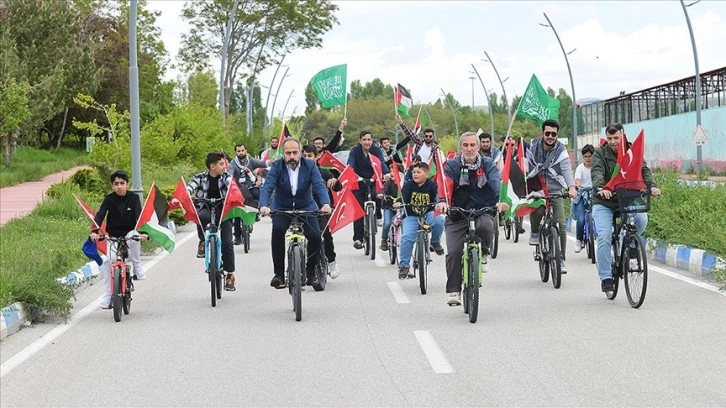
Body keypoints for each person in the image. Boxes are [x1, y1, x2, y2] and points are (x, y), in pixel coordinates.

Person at [435, 132, 508, 306]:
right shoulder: (451, 166)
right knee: (453, 252)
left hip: (483, 210)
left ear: (478, 146)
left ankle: (483, 253)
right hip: (457, 213)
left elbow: (496, 183)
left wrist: (501, 201)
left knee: (486, 226)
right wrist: (443, 202)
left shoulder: (488, 164)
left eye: (472, 145)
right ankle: (454, 290)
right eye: (465, 145)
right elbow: (444, 186)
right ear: (461, 147)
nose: (469, 149)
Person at [591, 123, 660, 293]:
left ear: (623, 136)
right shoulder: (600, 152)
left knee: (641, 219)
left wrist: (651, 186)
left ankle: (632, 246)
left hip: (627, 198)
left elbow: (644, 169)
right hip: (604, 201)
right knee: (605, 237)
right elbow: (597, 172)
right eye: (610, 138)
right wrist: (602, 188)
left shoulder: (631, 150)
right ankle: (606, 277)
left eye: (616, 138)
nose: (613, 141)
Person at [259, 138, 332, 288]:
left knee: (315, 237)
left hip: (306, 206)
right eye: (288, 153)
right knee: (278, 232)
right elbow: (268, 187)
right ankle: (279, 274)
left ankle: (310, 271)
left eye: (294, 152)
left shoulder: (310, 165)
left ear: (300, 153)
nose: (291, 156)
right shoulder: (277, 166)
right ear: (283, 154)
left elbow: (319, 186)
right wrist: (264, 205)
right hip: (282, 208)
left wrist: (325, 204)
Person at [90, 170, 148, 309]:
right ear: (112, 186)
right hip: (113, 236)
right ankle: (109, 294)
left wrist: (142, 233)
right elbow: (100, 215)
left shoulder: (133, 198)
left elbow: (139, 216)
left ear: (127, 184)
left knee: (134, 236)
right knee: (109, 261)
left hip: (129, 234)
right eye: (116, 184)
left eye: (122, 183)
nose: (119, 187)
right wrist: (94, 232)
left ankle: (137, 265)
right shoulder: (109, 199)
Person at [525, 119, 577, 273]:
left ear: (557, 135)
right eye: (547, 133)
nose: (550, 136)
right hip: (537, 189)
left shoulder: (561, 150)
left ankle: (560, 259)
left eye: (553, 134)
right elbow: (524, 167)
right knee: (538, 210)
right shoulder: (532, 147)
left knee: (560, 225)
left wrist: (571, 187)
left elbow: (566, 170)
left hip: (555, 191)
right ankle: (535, 231)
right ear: (542, 133)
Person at [187, 152, 237, 291]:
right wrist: (187, 193)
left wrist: (233, 196)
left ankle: (230, 275)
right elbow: (190, 187)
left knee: (227, 242)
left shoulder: (227, 177)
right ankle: (203, 240)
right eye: (221, 164)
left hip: (224, 210)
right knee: (200, 216)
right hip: (206, 207)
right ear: (212, 166)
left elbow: (233, 188)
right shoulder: (200, 177)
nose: (224, 166)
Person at [398, 162, 445, 279]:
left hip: (428, 212)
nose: (415, 174)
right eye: (414, 172)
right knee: (407, 237)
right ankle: (404, 266)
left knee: (439, 221)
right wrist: (399, 202)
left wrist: (440, 204)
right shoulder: (408, 185)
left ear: (426, 173)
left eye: (419, 172)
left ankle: (435, 242)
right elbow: (403, 197)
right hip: (412, 215)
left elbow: (438, 198)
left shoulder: (432, 185)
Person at [302, 144, 342, 279]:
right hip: (301, 211)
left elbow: (338, 187)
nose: (307, 158)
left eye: (310, 156)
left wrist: (334, 181)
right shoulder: (296, 173)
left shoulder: (324, 172)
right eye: (304, 156)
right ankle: (295, 263)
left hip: (320, 211)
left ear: (317, 156)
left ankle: (331, 261)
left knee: (325, 234)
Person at [347, 130, 390, 249]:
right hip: (359, 182)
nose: (367, 142)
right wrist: (350, 172)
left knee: (378, 195)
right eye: (364, 140)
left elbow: (381, 162)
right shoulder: (355, 151)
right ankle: (358, 239)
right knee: (358, 210)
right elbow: (350, 164)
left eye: (369, 139)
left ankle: (377, 216)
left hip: (373, 180)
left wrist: (386, 173)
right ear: (360, 141)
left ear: (372, 140)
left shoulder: (376, 150)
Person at [229, 143, 267, 245]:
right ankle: (237, 237)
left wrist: (270, 162)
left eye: (242, 150)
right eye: (239, 151)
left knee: (257, 195)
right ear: (236, 152)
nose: (241, 153)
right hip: (238, 190)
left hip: (250, 187)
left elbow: (263, 163)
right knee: (237, 213)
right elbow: (229, 174)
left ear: (246, 150)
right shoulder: (233, 164)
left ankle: (255, 214)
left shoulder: (251, 161)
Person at [572, 144, 595, 253]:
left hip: (594, 193)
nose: (588, 158)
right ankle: (578, 240)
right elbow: (578, 180)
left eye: (590, 156)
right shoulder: (580, 168)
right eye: (585, 156)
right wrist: (577, 185)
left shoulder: (596, 167)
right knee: (581, 219)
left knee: (598, 216)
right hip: (582, 194)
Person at [378, 169, 401, 252]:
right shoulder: (388, 183)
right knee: (387, 223)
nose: (392, 173)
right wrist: (381, 194)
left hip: (400, 208)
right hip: (389, 207)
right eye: (391, 171)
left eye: (394, 171)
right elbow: (383, 190)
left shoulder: (403, 184)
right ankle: (384, 240)